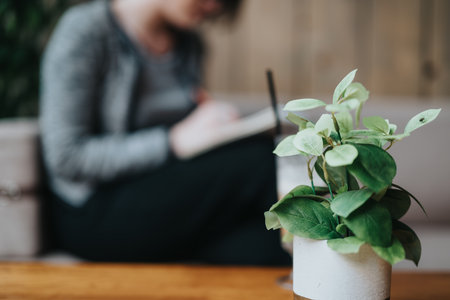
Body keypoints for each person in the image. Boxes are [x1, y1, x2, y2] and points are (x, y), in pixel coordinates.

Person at [40, 0, 290, 265]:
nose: (214, 8)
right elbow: (66, 157)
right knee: (260, 161)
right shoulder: (86, 30)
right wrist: (172, 140)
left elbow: (189, 136)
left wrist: (215, 126)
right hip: (95, 208)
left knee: (267, 246)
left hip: (165, 197)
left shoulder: (190, 43)